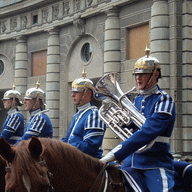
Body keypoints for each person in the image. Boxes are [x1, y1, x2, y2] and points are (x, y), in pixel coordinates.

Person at [100, 47, 176, 192]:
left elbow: (147, 131)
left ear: (156, 74)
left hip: (155, 162)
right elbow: (134, 130)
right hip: (131, 161)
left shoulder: (164, 99)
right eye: (136, 74)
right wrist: (124, 124)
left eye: (144, 74)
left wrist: (114, 154)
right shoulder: (136, 99)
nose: (138, 78)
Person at [61, 68, 107, 159]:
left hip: (89, 162)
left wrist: (67, 148)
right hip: (76, 158)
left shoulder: (94, 114)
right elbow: (67, 138)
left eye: (76, 92)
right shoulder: (77, 115)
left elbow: (90, 146)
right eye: (72, 92)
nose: (72, 95)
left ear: (87, 93)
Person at [14, 80, 53, 145]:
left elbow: (27, 138)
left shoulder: (40, 118)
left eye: (27, 99)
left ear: (37, 101)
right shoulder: (34, 117)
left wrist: (14, 147)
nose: (24, 102)